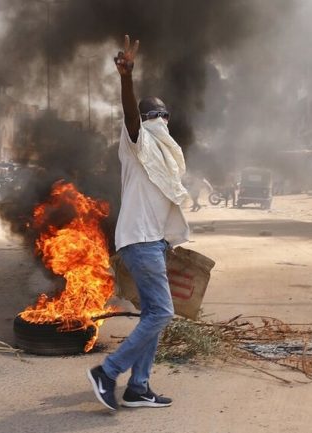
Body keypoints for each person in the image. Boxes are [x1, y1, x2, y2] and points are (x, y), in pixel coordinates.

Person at [86, 35, 189, 411]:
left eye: (163, 115)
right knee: (162, 313)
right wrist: (127, 78)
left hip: (152, 242)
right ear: (147, 122)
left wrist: (167, 243)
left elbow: (163, 204)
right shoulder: (138, 143)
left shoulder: (164, 156)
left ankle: (138, 387)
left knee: (152, 315)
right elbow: (131, 116)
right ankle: (107, 372)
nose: (160, 121)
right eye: (154, 116)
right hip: (139, 241)